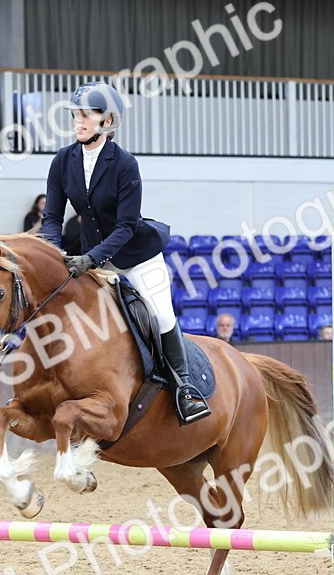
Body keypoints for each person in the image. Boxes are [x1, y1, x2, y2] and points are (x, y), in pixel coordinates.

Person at [40, 81, 211, 424]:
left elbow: (126, 226)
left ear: (107, 121)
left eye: (86, 115)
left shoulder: (124, 164)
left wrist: (91, 258)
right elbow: (52, 218)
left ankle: (186, 389)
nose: (79, 121)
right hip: (91, 258)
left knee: (160, 314)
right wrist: (54, 255)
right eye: (76, 115)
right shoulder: (63, 160)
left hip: (135, 257)